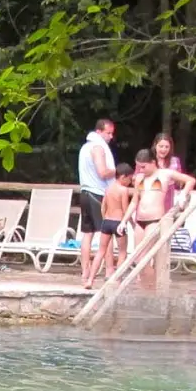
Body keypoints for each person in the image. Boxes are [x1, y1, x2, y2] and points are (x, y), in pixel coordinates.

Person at [78, 119, 118, 284]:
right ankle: (109, 270)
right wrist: (118, 172)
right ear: (99, 131)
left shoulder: (84, 147)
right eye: (108, 133)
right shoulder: (97, 147)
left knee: (87, 234)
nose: (111, 137)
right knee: (106, 233)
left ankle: (85, 271)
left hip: (85, 193)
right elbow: (102, 172)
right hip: (97, 193)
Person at [84, 164, 134, 287]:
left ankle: (90, 280)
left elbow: (103, 207)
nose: (130, 182)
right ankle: (117, 280)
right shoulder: (123, 190)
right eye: (129, 179)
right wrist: (131, 223)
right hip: (118, 223)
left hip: (106, 222)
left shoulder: (108, 188)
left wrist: (105, 218)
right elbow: (125, 209)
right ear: (123, 177)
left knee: (101, 251)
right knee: (122, 252)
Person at [151, 133, 185, 210]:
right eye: (161, 146)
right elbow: (137, 178)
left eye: (167, 147)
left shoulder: (175, 161)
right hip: (150, 200)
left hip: (168, 199)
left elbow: (180, 182)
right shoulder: (148, 160)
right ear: (155, 145)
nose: (163, 149)